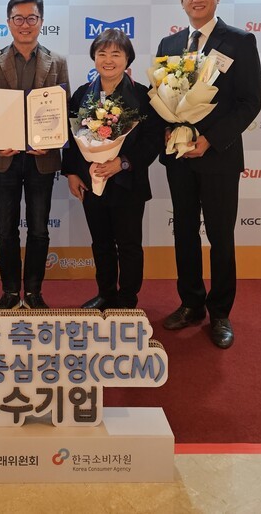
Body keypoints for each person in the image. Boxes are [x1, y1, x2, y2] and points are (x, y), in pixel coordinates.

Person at [156, 0, 261, 349]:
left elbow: (250, 103)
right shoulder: (169, 45)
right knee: (184, 231)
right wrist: (167, 130)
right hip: (179, 157)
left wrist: (210, 140)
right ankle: (191, 304)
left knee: (219, 235)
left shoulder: (240, 42)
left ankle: (220, 312)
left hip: (219, 156)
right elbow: (162, 99)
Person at [0, 0, 70, 309]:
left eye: (32, 18)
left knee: (39, 228)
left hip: (41, 159)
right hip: (3, 157)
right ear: (8, 22)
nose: (25, 24)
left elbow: (63, 109)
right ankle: (9, 292)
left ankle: (33, 292)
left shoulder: (57, 61)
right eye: (18, 18)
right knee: (6, 229)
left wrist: (52, 142)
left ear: (41, 22)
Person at [61, 29, 162, 311]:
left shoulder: (142, 96)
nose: (108, 60)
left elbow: (153, 140)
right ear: (94, 57)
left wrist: (122, 162)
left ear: (127, 59)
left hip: (128, 182)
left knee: (129, 245)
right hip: (92, 181)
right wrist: (72, 172)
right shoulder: (82, 94)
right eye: (102, 53)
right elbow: (70, 138)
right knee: (101, 243)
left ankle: (127, 298)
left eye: (116, 54)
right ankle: (106, 293)